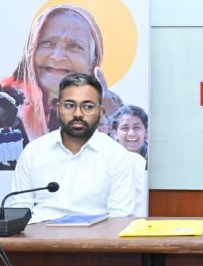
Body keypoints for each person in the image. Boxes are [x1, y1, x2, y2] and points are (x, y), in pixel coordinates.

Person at [8, 73, 134, 223]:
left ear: (100, 111)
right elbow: (20, 207)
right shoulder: (34, 151)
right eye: (69, 105)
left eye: (88, 106)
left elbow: (119, 216)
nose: (78, 114)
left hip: (96, 235)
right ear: (58, 108)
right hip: (40, 234)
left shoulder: (116, 155)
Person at [0, 4, 123, 141]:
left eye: (74, 46)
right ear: (31, 51)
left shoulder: (111, 108)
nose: (57, 57)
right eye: (46, 43)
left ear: (93, 62)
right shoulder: (4, 99)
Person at [0, 80, 30, 164]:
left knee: (18, 148)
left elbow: (13, 109)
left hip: (14, 125)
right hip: (4, 124)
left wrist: (7, 124)